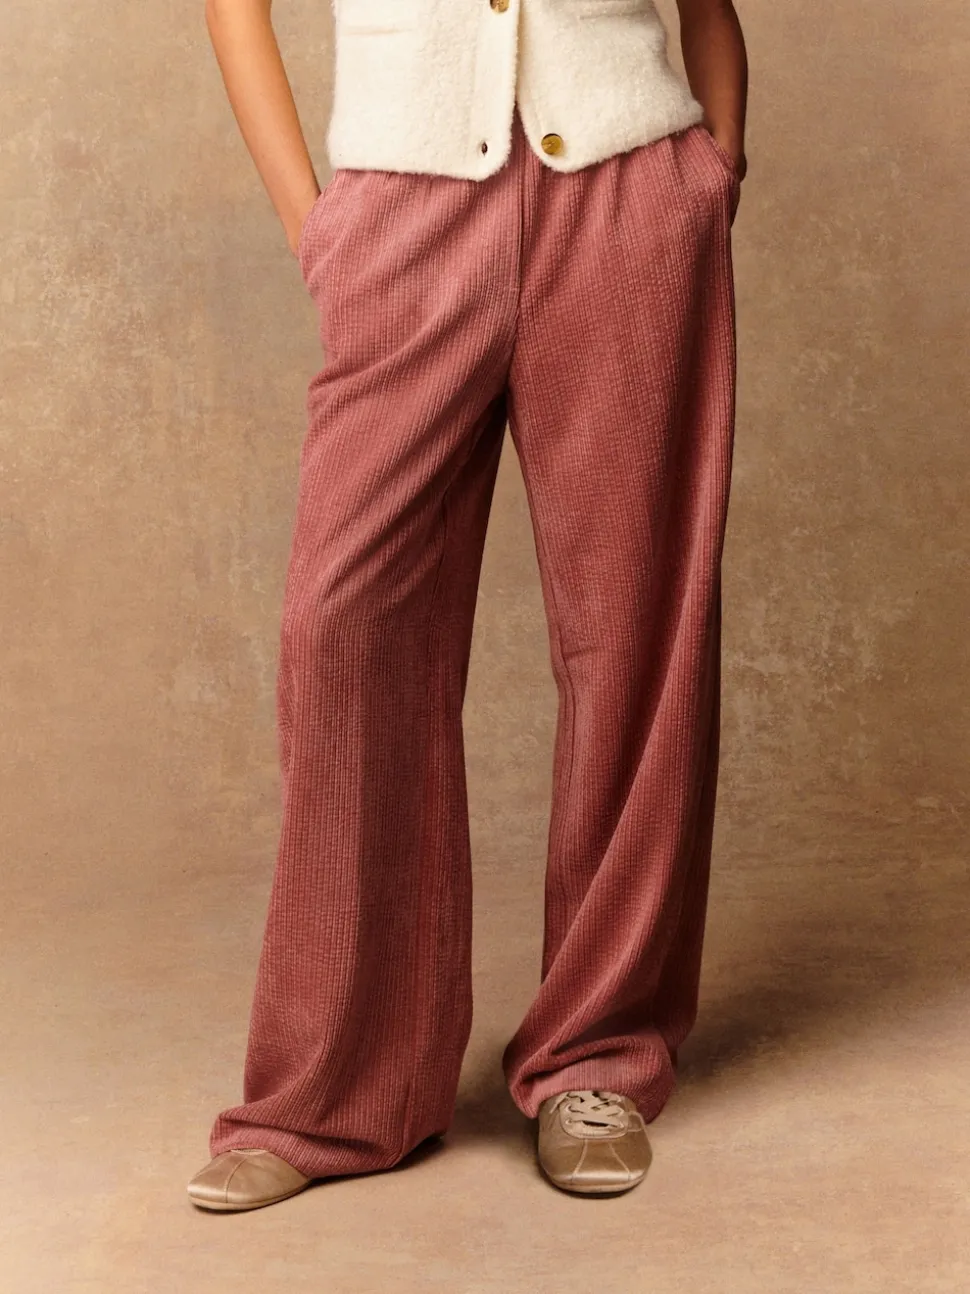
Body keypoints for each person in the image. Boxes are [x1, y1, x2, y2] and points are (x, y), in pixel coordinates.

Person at [188, 0, 748, 1211]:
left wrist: (712, 174)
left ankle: (596, 1055)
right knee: (342, 630)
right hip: (400, 211)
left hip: (627, 196)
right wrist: (314, 224)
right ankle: (335, 1092)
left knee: (633, 635)